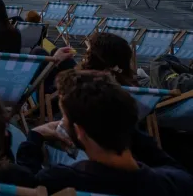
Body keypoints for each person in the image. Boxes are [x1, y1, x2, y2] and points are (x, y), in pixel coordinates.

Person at [17, 70, 193, 195]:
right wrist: (118, 118)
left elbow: (25, 184)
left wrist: (35, 137)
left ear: (80, 132)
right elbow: (160, 158)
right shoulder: (176, 184)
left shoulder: (59, 181)